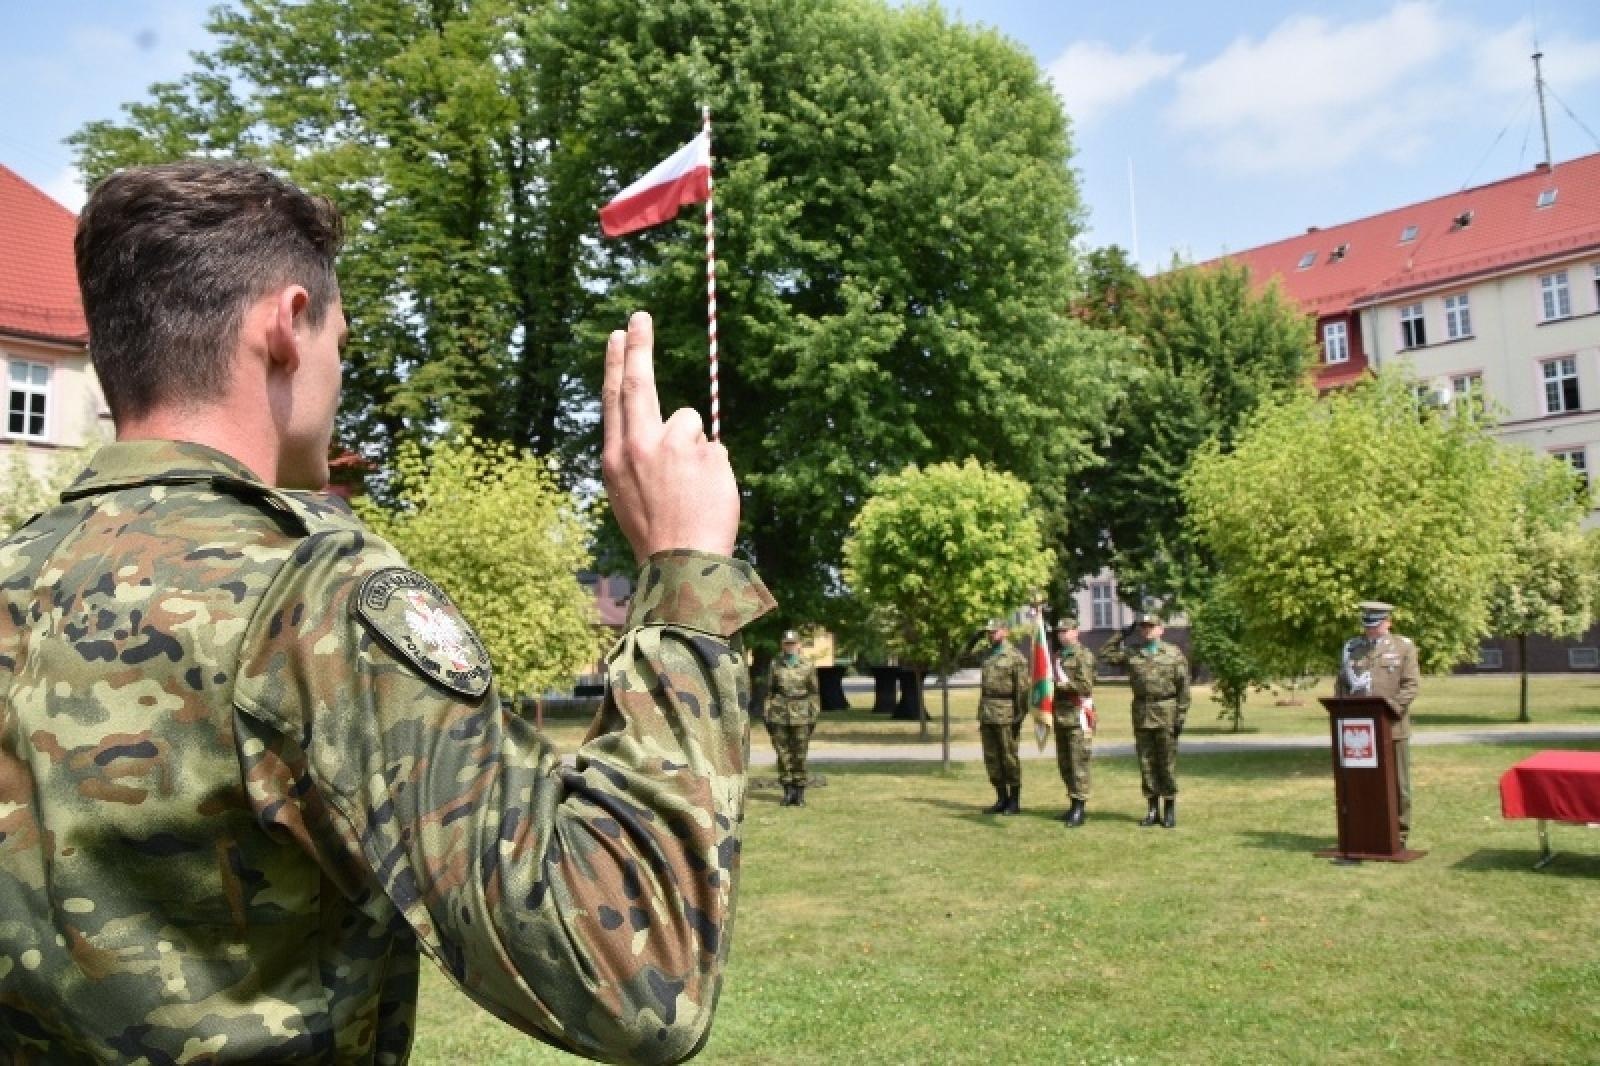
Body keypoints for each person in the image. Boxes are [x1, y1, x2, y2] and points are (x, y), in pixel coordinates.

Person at [0, 161, 775, 1064]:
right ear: (288, 327)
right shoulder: (309, 594)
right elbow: (632, 976)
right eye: (342, 341)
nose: (339, 372)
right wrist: (685, 579)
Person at [1335, 600, 1421, 845]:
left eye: (1375, 626)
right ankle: (1365, 830)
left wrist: (1388, 710)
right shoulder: (1353, 648)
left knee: (1399, 786)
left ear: (1388, 623)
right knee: (1362, 784)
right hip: (1359, 731)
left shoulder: (1404, 647)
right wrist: (1344, 709)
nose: (1370, 630)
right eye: (1367, 626)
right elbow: (1342, 683)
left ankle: (1399, 834)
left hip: (1392, 728)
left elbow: (1411, 686)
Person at [1100, 613, 1189, 828]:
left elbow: (1183, 689)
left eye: (1151, 626)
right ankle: (1151, 809)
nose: (1147, 630)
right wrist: (1123, 633)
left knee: (1166, 763)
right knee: (1146, 763)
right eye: (1143, 627)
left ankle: (1169, 808)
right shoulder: (1133, 653)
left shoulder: (1173, 654)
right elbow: (1105, 654)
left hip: (1166, 710)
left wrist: (1180, 717)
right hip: (1142, 712)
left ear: (1161, 629)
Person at [977, 618, 1029, 815]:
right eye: (988, 632)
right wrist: (972, 640)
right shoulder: (988, 655)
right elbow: (962, 658)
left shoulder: (1015, 657)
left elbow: (1022, 690)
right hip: (987, 711)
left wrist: (1019, 716)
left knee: (1008, 756)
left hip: (1006, 711)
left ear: (1005, 631)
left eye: (994, 631)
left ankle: (1014, 800)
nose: (991, 635)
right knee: (991, 757)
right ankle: (1001, 797)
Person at [765, 629, 820, 807]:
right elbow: (770, 691)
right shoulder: (775, 664)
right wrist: (767, 713)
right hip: (779, 714)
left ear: (799, 645)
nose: (790, 647)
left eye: (793, 643)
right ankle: (788, 791)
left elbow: (813, 692)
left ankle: (800, 792)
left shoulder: (808, 665)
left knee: (800, 755)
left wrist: (814, 715)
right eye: (787, 643)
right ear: (783, 645)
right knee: (782, 754)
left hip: (802, 714)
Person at [1052, 616, 1096, 827]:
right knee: (1065, 763)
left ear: (1076, 632)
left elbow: (1085, 686)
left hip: (1078, 715)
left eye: (1066, 631)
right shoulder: (1058, 656)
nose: (1062, 635)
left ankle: (1080, 807)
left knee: (1079, 763)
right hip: (1060, 716)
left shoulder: (1083, 656)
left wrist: (1060, 686)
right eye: (1060, 631)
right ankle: (1072, 803)